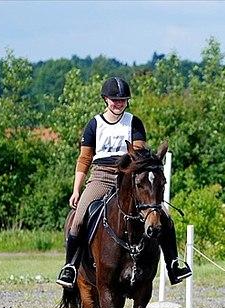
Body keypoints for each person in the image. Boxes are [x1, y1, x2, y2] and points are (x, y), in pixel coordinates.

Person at [56, 77, 191, 289]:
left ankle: (173, 265)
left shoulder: (134, 123)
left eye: (123, 100)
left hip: (128, 177)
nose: (118, 103)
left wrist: (131, 174)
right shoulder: (94, 124)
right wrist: (76, 189)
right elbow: (84, 159)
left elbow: (138, 155)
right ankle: (70, 267)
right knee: (79, 218)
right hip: (100, 176)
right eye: (114, 100)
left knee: (163, 216)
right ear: (105, 99)